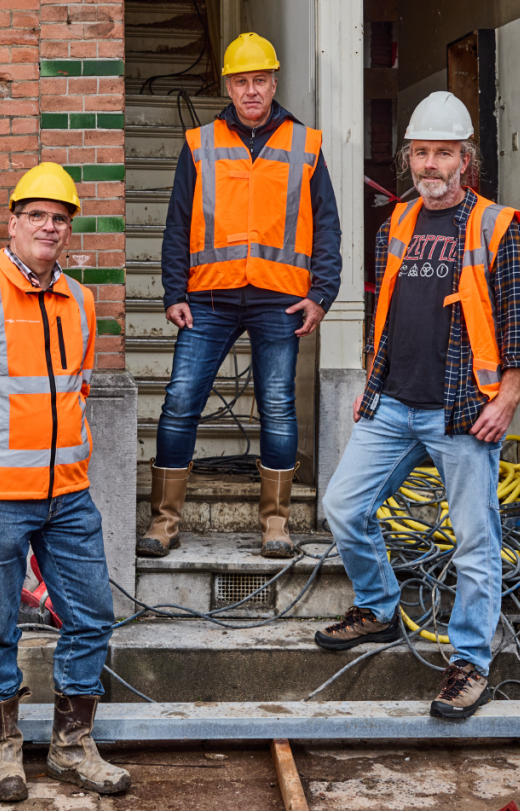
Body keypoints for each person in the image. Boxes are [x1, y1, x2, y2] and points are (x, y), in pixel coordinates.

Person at [316, 91, 520, 720]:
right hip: (392, 403)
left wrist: (510, 398)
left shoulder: (499, 225)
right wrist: (372, 378)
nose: (430, 165)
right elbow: (387, 313)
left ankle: (471, 659)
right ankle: (379, 607)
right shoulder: (398, 223)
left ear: (464, 160)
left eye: (443, 153)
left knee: (474, 539)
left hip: (465, 408)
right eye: (421, 153)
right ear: (409, 158)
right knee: (342, 506)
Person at [0, 163, 131, 803]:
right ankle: (4, 751)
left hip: (68, 494)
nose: (49, 226)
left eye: (60, 218)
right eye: (37, 215)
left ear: (69, 230)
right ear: (12, 223)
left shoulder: (82, 301)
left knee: (91, 616)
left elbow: (80, 386)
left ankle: (71, 746)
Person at [141, 32, 343, 561]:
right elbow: (177, 222)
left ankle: (276, 525)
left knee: (277, 408)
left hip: (280, 297)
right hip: (208, 297)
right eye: (240, 81)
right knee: (181, 402)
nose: (251, 90)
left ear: (274, 82)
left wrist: (322, 292)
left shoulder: (305, 145)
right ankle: (163, 523)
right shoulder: (201, 143)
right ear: (228, 87)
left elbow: (327, 226)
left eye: (259, 80)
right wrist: (172, 291)